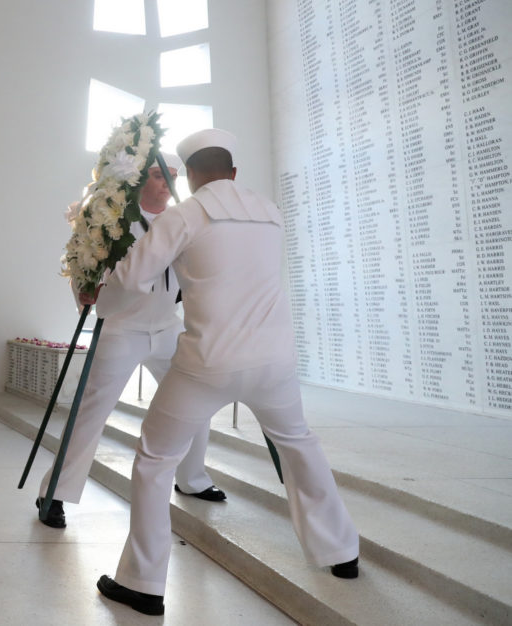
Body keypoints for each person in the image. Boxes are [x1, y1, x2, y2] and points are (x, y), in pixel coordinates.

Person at [93, 129, 359, 616]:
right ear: (234, 173)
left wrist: (102, 305)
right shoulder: (271, 214)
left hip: (208, 364)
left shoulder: (185, 215)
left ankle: (143, 582)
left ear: (190, 177)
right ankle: (341, 551)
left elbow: (132, 277)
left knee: (154, 460)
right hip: (275, 362)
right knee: (298, 442)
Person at [36, 154, 226, 530]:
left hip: (167, 327)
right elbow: (82, 259)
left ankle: (192, 479)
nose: (166, 184)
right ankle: (54, 492)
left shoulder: (186, 219)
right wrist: (84, 292)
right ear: (139, 181)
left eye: (172, 177)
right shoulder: (112, 217)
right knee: (91, 413)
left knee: (198, 395)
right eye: (158, 176)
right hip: (122, 328)